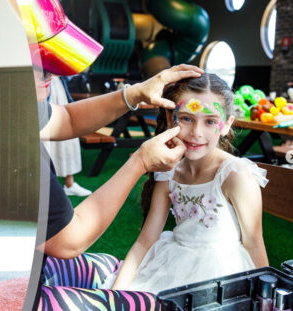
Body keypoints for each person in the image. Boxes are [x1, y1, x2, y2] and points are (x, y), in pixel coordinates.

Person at [11, 0, 203, 309]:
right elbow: (69, 240)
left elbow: (67, 118)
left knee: (111, 266)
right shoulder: (11, 144)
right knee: (152, 303)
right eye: (45, 71)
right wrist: (139, 161)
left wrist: (134, 93)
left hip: (20, 258)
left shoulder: (1, 102)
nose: (52, 81)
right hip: (0, 288)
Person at [111, 73, 269, 294]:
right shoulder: (168, 172)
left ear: (226, 125)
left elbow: (253, 242)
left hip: (221, 278)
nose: (196, 133)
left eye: (210, 121)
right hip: (172, 266)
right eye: (186, 118)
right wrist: (115, 295)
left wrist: (264, 299)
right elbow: (145, 241)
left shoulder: (236, 175)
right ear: (170, 118)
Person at [42, 75, 91, 197]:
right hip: (43, 86)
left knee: (66, 140)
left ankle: (69, 184)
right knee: (45, 139)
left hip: (56, 85)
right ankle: (46, 188)